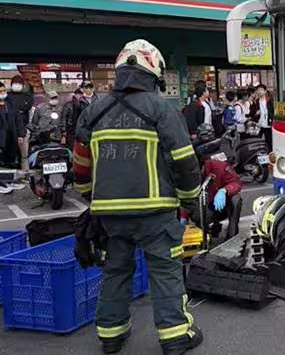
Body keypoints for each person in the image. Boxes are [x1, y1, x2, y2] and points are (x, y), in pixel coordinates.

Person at [72, 39, 203, 354]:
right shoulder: (162, 109)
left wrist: (92, 199)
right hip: (156, 213)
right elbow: (184, 162)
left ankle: (111, 335)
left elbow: (81, 165)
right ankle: (175, 337)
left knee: (116, 270)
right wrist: (189, 200)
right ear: (153, 73)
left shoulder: (93, 111)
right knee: (165, 271)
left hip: (109, 215)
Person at [0, 83, 25, 192]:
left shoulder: (9, 103)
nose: (3, 93)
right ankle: (2, 184)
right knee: (1, 161)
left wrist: (20, 134)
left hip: (11, 136)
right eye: (0, 91)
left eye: (4, 90)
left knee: (11, 160)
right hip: (1, 138)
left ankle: (10, 181)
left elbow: (18, 119)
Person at [8, 75, 33, 171]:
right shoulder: (6, 96)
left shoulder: (27, 97)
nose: (17, 85)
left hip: (23, 129)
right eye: (15, 83)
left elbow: (26, 108)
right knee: (9, 154)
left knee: (24, 155)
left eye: (19, 83)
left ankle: (25, 174)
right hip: (8, 130)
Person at [250, 85, 273, 152]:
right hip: (259, 124)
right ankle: (258, 154)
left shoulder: (270, 100)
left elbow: (273, 111)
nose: (259, 91)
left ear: (265, 91)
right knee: (257, 141)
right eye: (258, 90)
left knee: (269, 141)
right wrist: (256, 113)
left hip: (268, 124)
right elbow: (252, 113)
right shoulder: (256, 101)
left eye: (261, 90)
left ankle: (269, 154)